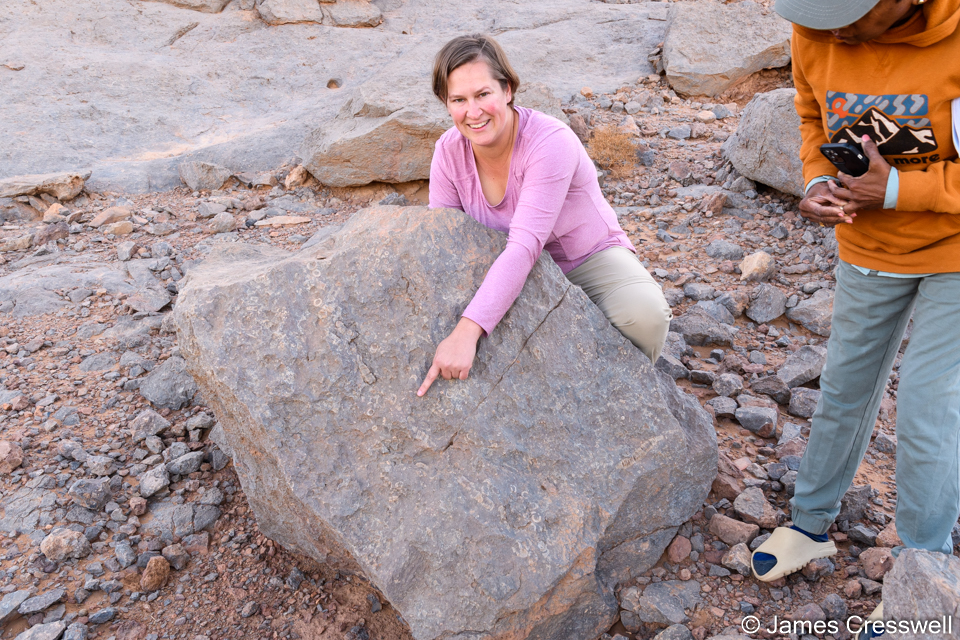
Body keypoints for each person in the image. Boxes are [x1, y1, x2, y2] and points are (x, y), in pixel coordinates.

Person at [750, 0, 960, 632]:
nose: (831, 30)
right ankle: (810, 524)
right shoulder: (813, 24)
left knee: (928, 405)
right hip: (868, 246)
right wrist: (817, 182)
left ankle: (925, 572)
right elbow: (812, 116)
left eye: (848, 16)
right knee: (844, 385)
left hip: (955, 252)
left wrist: (896, 189)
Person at [416, 34, 672, 396]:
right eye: (459, 100)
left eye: (483, 94)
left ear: (507, 89)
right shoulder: (448, 151)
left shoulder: (550, 142)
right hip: (497, 260)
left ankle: (627, 397)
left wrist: (467, 331)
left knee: (645, 315)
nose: (473, 112)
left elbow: (524, 246)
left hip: (583, 259)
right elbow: (445, 238)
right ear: (446, 103)